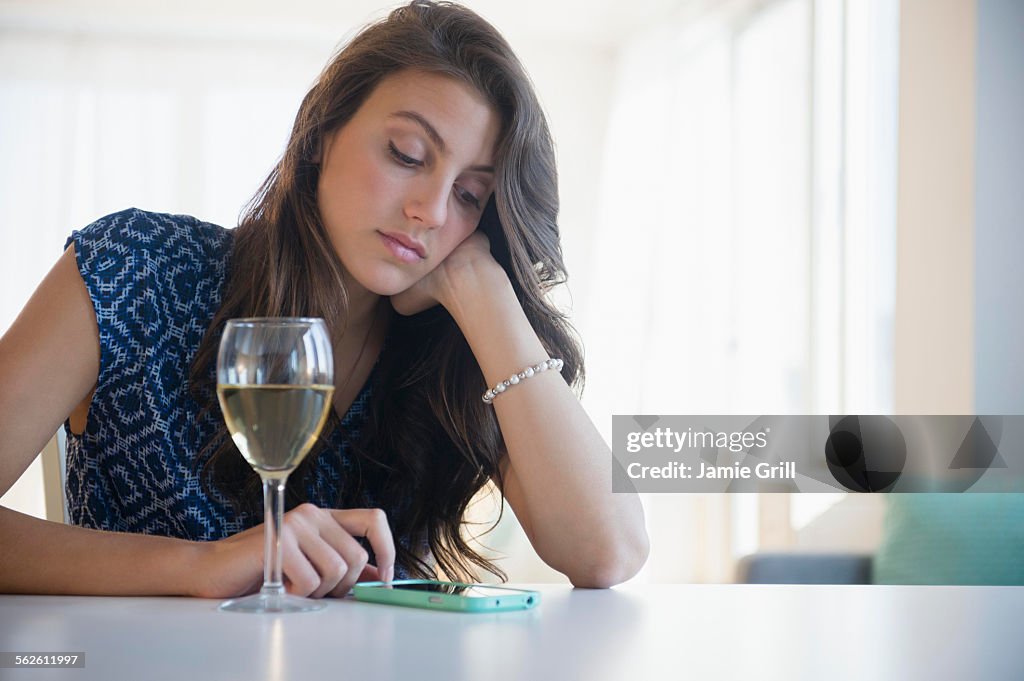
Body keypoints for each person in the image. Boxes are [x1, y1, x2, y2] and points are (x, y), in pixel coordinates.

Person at [0, 0, 648, 598]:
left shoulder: (449, 351)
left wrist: (485, 292)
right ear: (321, 133)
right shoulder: (132, 270)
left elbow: (608, 553)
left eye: (471, 195)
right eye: (408, 153)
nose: (429, 210)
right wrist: (200, 565)